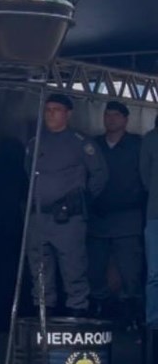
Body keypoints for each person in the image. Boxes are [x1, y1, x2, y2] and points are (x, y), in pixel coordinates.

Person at [25, 93, 107, 316]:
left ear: (68, 114)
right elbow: (28, 174)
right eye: (48, 110)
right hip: (39, 217)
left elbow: (99, 176)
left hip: (69, 219)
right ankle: (44, 315)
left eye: (56, 110)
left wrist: (82, 200)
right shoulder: (35, 143)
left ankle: (77, 313)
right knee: (40, 270)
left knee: (73, 269)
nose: (51, 114)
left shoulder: (81, 143)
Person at [88, 101, 145, 324]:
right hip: (98, 217)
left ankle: (131, 312)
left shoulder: (136, 145)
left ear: (125, 119)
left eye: (115, 116)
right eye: (107, 115)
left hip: (127, 216)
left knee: (130, 267)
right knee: (95, 267)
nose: (110, 119)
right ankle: (99, 307)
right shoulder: (94, 145)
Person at [139, 116, 158, 328]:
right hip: (155, 215)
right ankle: (154, 326)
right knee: (155, 274)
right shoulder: (151, 139)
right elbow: (145, 179)